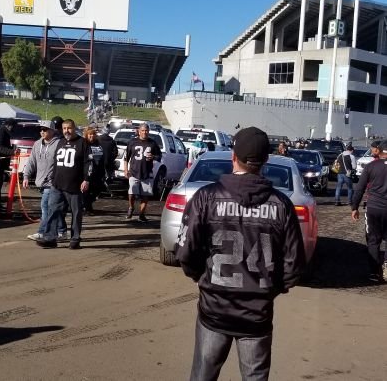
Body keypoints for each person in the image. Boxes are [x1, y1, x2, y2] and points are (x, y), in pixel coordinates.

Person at [175, 126, 306, 381]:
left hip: (214, 310)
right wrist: (269, 289)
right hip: (256, 315)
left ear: (232, 156)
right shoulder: (281, 205)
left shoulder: (206, 198)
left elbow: (186, 253)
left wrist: (205, 280)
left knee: (202, 375)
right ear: (266, 160)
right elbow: (294, 266)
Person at [37, 119, 92, 250]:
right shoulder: (60, 142)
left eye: (69, 128)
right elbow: (55, 162)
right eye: (64, 128)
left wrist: (86, 179)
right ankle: (50, 238)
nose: (67, 131)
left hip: (74, 185)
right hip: (57, 184)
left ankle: (75, 239)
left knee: (76, 212)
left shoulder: (82, 143)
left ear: (74, 128)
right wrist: (52, 177)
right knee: (53, 210)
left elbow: (89, 163)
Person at [22, 120, 67, 241]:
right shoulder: (37, 144)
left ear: (52, 131)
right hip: (40, 181)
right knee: (54, 207)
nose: (42, 132)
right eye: (41, 129)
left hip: (53, 182)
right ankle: (62, 230)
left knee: (45, 206)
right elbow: (32, 161)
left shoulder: (59, 143)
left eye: (45, 129)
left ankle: (42, 231)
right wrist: (26, 176)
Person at [351, 140, 387, 283]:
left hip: (373, 208)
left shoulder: (371, 166)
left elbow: (359, 188)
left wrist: (354, 207)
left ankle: (373, 272)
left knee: (373, 240)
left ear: (380, 151)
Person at [123, 123, 162, 222]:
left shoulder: (152, 143)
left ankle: (141, 214)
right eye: (143, 130)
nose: (145, 132)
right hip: (134, 172)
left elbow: (159, 156)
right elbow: (126, 157)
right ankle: (131, 208)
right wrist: (125, 170)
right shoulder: (132, 142)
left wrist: (153, 157)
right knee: (131, 193)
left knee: (145, 195)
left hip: (147, 172)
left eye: (146, 131)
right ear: (139, 131)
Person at [82, 126, 105, 214]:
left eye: (93, 134)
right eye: (90, 134)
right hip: (87, 171)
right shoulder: (84, 144)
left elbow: (102, 156)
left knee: (97, 189)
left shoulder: (98, 144)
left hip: (98, 171)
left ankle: (87, 204)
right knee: (87, 190)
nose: (92, 136)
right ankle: (87, 207)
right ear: (86, 135)